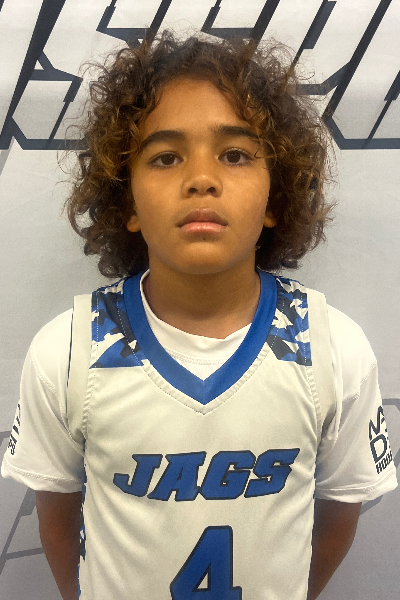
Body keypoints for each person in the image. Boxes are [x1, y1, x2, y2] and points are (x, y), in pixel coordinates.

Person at [1, 31, 397, 600]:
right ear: (127, 202)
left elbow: (338, 514)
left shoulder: (333, 348)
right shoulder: (67, 351)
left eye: (235, 155)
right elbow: (58, 518)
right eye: (166, 157)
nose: (202, 178)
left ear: (275, 197)